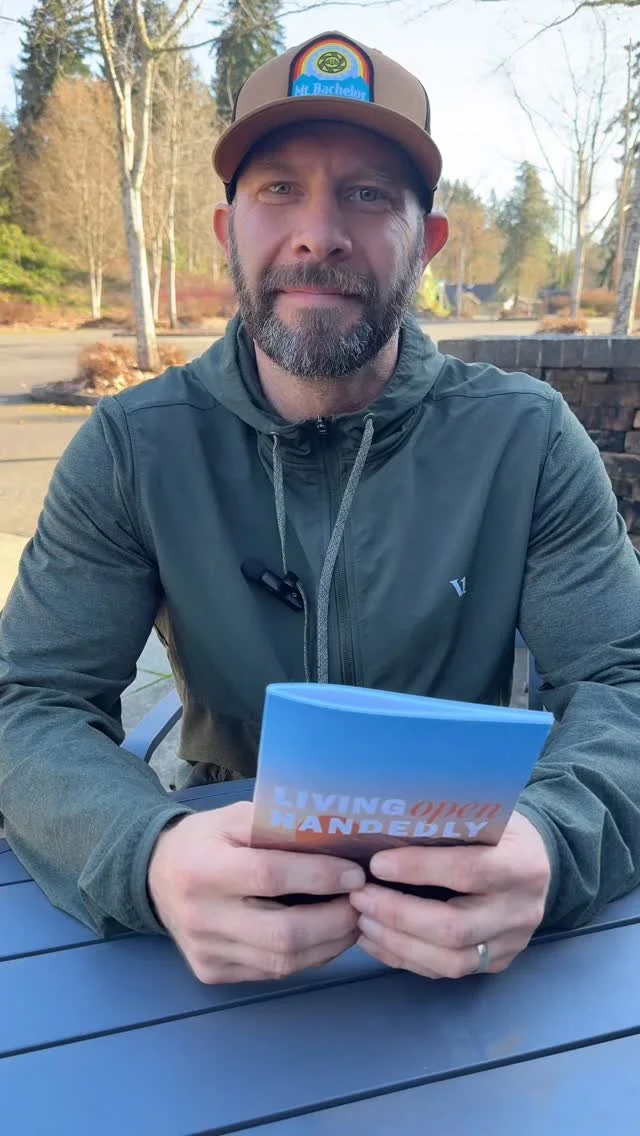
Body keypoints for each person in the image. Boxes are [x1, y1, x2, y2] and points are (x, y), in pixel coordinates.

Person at [1, 32, 640, 988]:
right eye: (279, 190)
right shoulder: (133, 447)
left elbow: (624, 679)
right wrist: (145, 852)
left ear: (427, 242)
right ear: (228, 231)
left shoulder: (529, 438)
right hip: (212, 885)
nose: (318, 234)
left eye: (368, 194)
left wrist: (556, 839)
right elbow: (29, 700)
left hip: (468, 892)